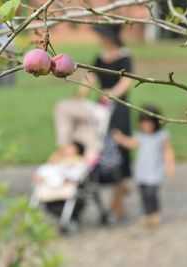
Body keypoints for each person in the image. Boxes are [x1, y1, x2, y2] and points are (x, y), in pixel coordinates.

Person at [73, 24, 133, 219]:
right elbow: (90, 76)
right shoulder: (100, 56)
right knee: (102, 145)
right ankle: (115, 188)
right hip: (103, 109)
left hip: (119, 108)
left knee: (119, 144)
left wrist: (113, 94)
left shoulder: (124, 56)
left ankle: (119, 192)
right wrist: (80, 95)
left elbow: (126, 81)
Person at [112, 106, 175, 227]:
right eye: (143, 124)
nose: (145, 126)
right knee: (144, 193)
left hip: (155, 170)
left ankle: (155, 213)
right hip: (142, 171)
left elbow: (168, 151)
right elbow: (131, 143)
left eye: (148, 124)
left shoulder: (161, 136)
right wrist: (120, 138)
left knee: (151, 193)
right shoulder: (140, 136)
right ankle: (147, 214)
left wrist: (170, 166)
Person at [33, 141, 87, 223]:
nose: (67, 150)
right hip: (48, 187)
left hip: (66, 187)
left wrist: (68, 178)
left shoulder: (79, 163)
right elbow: (45, 170)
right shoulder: (56, 161)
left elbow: (78, 174)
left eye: (71, 148)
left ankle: (66, 218)